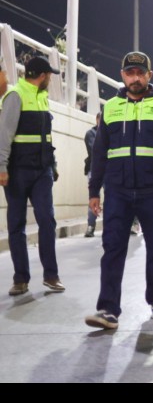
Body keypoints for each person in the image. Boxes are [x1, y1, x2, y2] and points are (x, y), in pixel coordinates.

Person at [84, 51, 153, 330]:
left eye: (140, 73)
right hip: (117, 189)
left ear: (149, 75)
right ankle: (108, 309)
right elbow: (99, 153)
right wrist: (94, 190)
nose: (135, 78)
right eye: (130, 73)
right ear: (123, 76)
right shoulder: (111, 107)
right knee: (112, 247)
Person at [0, 56, 64, 296]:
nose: (50, 80)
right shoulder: (15, 96)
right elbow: (4, 134)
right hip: (17, 171)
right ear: (42, 75)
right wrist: (1, 167)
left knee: (47, 220)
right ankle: (20, 279)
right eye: (49, 76)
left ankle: (51, 276)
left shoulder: (42, 98)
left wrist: (53, 164)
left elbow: (46, 137)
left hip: (42, 171)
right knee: (16, 224)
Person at [84, 112, 101, 237]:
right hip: (94, 170)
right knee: (93, 197)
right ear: (97, 120)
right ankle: (91, 226)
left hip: (109, 170)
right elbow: (94, 151)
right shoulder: (91, 134)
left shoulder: (111, 132)